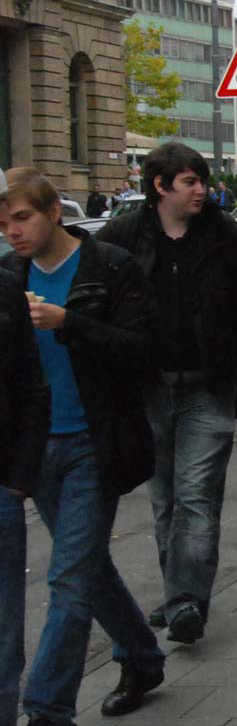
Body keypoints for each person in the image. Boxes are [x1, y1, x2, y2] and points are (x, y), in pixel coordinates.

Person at [0, 168, 166, 724]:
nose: (13, 232)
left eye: (22, 217)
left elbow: (144, 350)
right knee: (87, 569)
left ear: (53, 212)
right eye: (3, 223)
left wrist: (69, 322)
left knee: (69, 578)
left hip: (96, 442)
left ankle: (47, 708)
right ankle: (142, 655)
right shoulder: (7, 275)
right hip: (33, 449)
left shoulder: (109, 266)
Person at [98, 143, 237, 644]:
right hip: (147, 387)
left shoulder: (224, 234)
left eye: (202, 181)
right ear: (160, 186)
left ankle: (187, 603)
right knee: (165, 500)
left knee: (197, 497)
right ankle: (179, 593)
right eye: (191, 182)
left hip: (207, 386)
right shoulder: (124, 236)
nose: (203, 190)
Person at [0, 265, 50, 726]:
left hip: (2, 485)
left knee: (3, 634)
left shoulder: (5, 287)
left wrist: (18, 477)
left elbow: (30, 385)